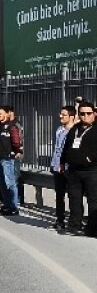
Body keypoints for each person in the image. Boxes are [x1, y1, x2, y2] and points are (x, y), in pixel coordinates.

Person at [63, 101, 97, 237]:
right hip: (74, 170)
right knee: (74, 198)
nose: (85, 116)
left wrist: (91, 158)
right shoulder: (74, 129)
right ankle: (75, 224)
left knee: (93, 200)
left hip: (92, 171)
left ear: (94, 114)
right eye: (82, 113)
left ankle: (93, 228)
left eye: (88, 113)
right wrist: (62, 161)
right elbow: (66, 146)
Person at [0, 106, 22, 216]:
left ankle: (13, 207)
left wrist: (17, 150)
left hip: (7, 158)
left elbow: (16, 142)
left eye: (0, 113)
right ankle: (6, 205)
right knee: (2, 183)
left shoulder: (11, 127)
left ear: (7, 114)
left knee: (10, 183)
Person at [52, 105, 78, 233]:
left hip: (70, 168)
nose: (60, 116)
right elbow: (57, 149)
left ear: (72, 116)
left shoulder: (75, 131)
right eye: (60, 114)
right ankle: (60, 220)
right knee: (59, 195)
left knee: (74, 196)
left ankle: (75, 221)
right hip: (57, 167)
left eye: (64, 114)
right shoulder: (59, 130)